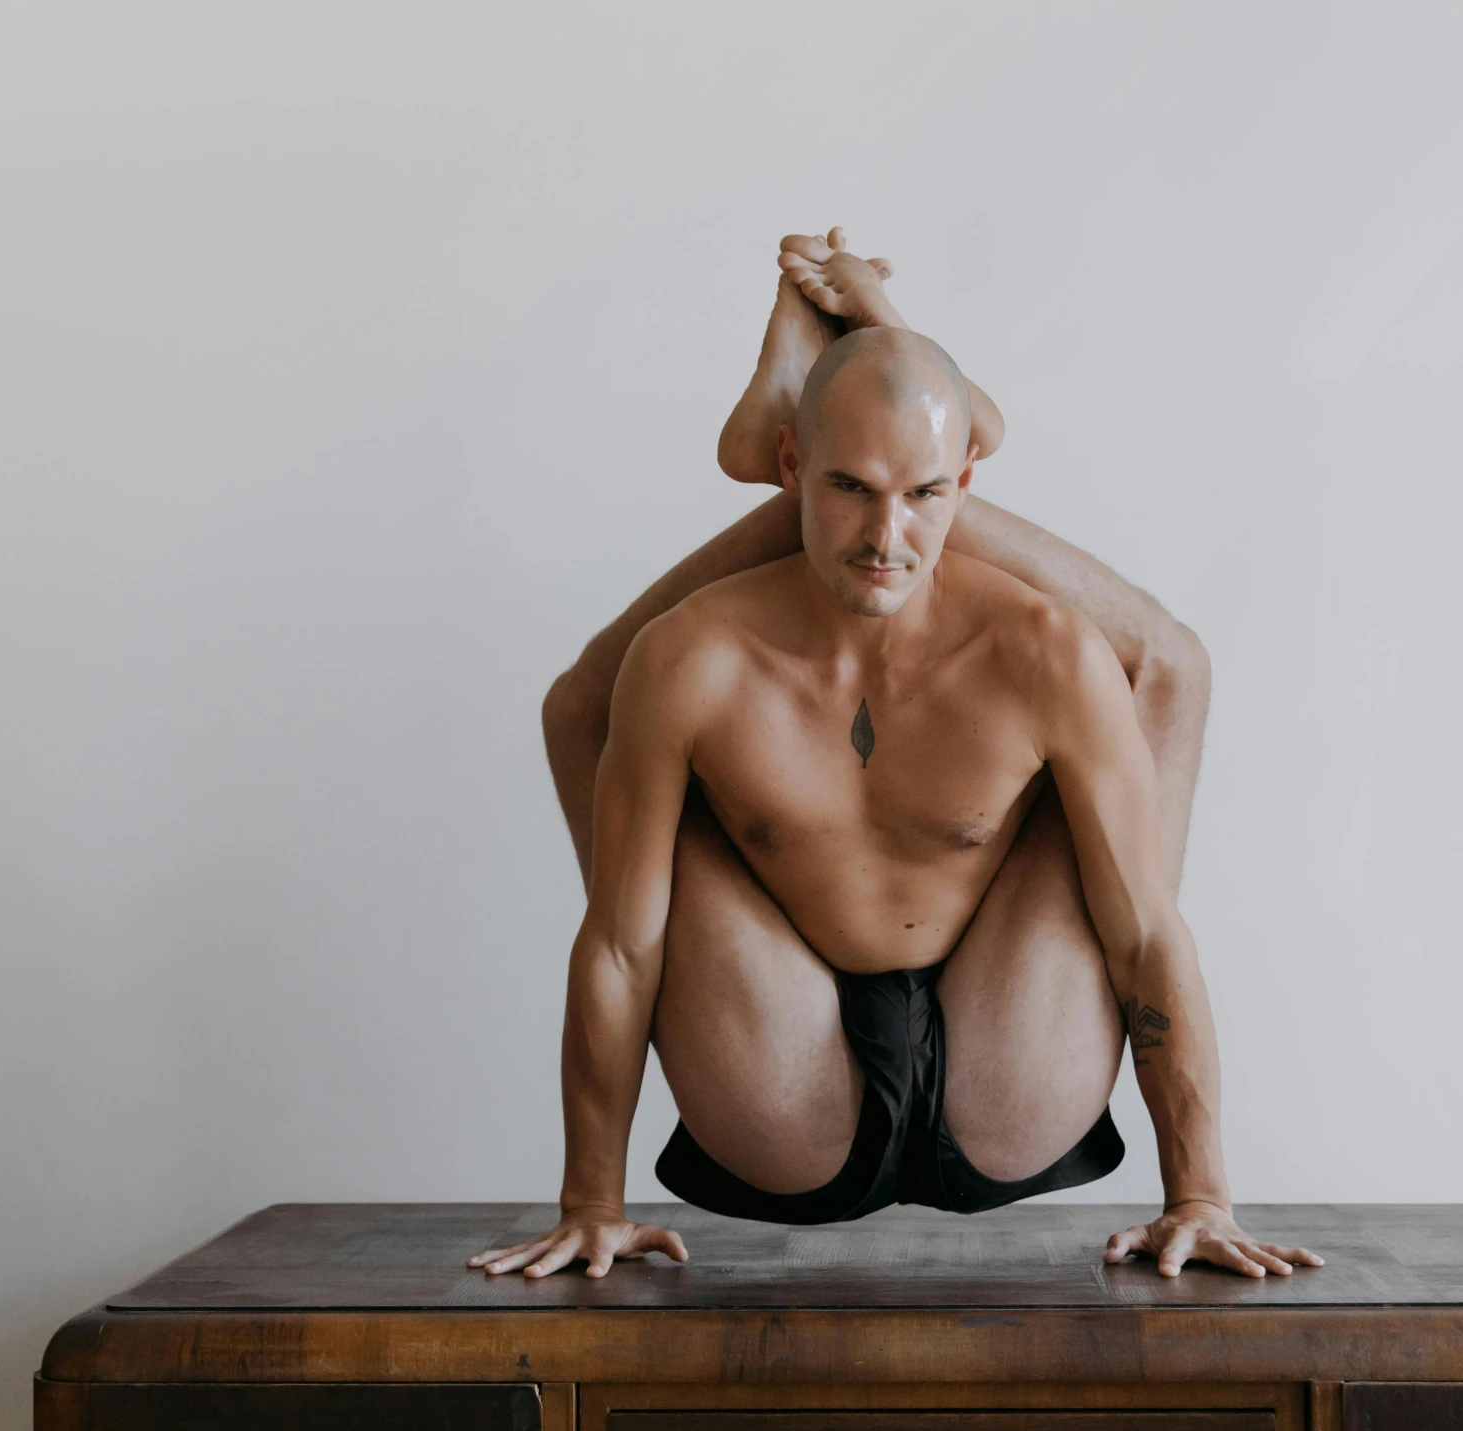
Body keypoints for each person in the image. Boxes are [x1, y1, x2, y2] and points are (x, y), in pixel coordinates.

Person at [471, 232, 1321, 1281]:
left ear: (966, 479)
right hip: (782, 1101)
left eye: (927, 493)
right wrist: (588, 1201)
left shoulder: (1039, 652)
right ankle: (893, 394)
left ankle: (889, 403)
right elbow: (618, 947)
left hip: (1014, 1083)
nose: (886, 536)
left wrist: (1201, 1195)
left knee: (1132, 704)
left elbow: (1146, 933)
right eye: (845, 487)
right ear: (792, 470)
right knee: (626, 722)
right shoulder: (694, 658)